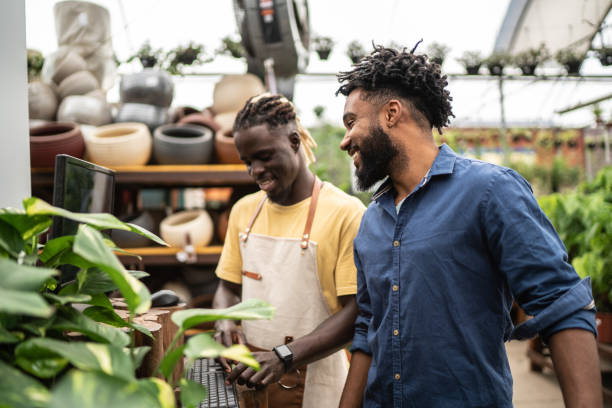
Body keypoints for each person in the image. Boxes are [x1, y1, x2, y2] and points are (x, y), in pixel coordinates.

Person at [335, 44, 602, 407]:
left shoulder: (490, 191)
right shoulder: (372, 221)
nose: (344, 140)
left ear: (391, 113)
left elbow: (561, 303)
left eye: (352, 122)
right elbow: (369, 328)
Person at [212, 93, 366, 407]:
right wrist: (225, 320)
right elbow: (226, 288)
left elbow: (356, 312)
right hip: (251, 378)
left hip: (318, 385)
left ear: (294, 141)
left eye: (265, 156)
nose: (255, 170)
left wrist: (285, 357)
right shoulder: (244, 212)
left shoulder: (344, 213)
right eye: (247, 161)